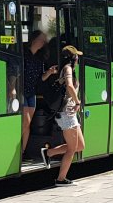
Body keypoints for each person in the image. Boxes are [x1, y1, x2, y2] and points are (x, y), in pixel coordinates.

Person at [40, 45, 85, 186]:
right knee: (72, 149)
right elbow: (70, 86)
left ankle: (49, 153)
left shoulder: (69, 69)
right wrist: (78, 103)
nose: (78, 59)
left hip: (70, 113)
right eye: (76, 56)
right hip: (66, 113)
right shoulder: (67, 69)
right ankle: (60, 179)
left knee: (80, 146)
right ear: (72, 58)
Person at [22, 30, 58, 158]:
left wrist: (49, 72)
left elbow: (40, 79)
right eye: (42, 39)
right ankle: (16, 152)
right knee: (25, 122)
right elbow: (15, 72)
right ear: (34, 40)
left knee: (27, 125)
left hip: (31, 93)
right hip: (21, 91)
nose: (43, 42)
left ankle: (22, 153)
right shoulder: (23, 55)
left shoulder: (39, 58)